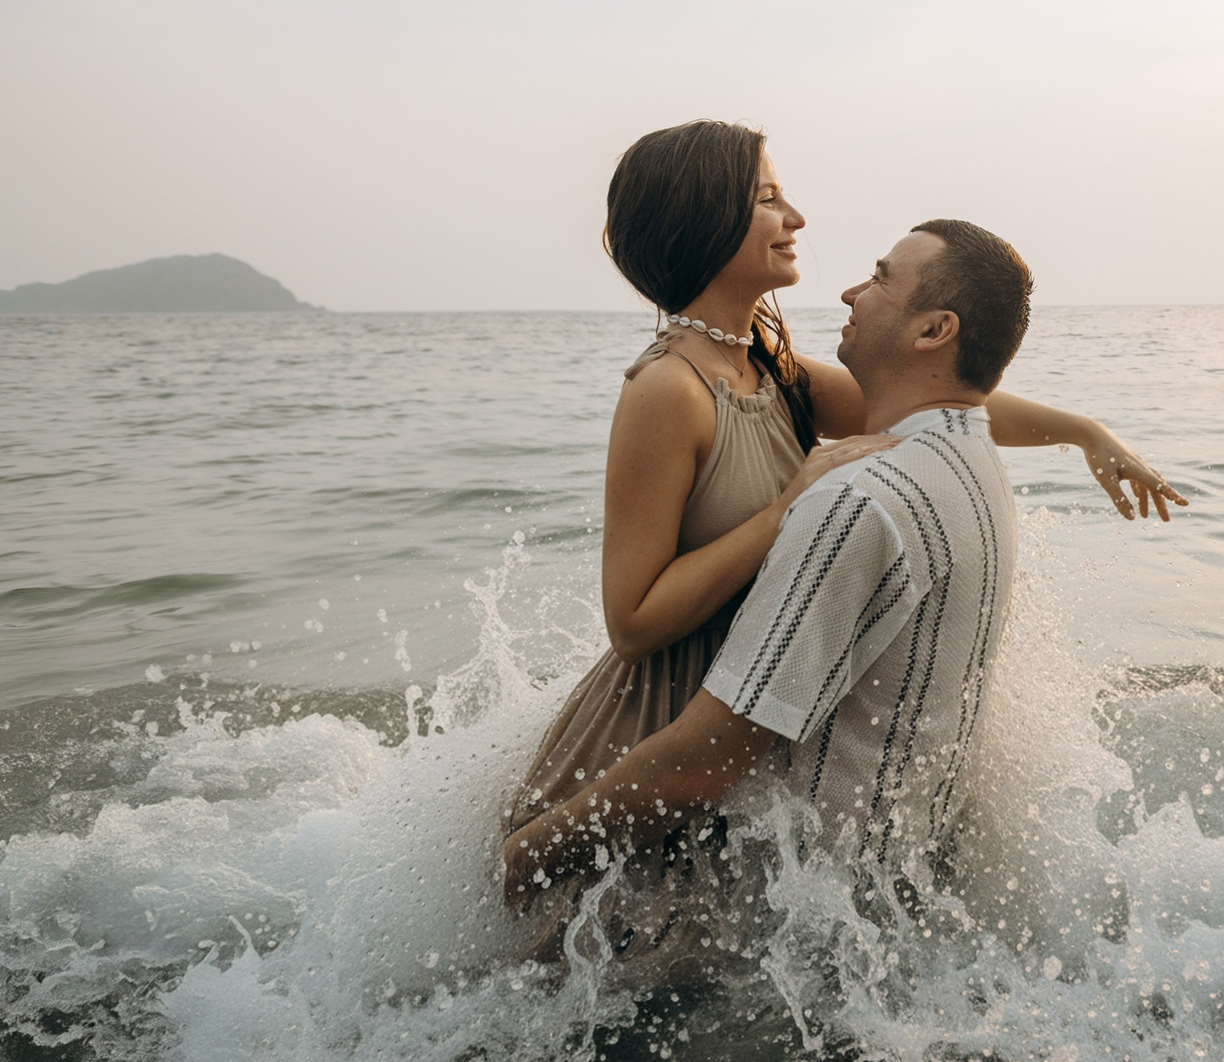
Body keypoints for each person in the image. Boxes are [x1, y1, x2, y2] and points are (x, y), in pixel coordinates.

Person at [504, 122, 1179, 839]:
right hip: (658, 724)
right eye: (768, 199)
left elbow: (936, 395)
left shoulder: (770, 365)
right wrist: (784, 514)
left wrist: (1085, 433)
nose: (795, 218)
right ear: (705, 220)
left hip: (739, 708)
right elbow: (632, 622)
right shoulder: (668, 390)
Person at [504, 218, 1037, 898]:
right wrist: (1086, 431)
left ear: (933, 331)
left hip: (796, 917)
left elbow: (701, 762)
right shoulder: (973, 460)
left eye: (878, 277)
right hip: (899, 882)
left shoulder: (858, 499)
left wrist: (531, 851)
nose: (851, 293)